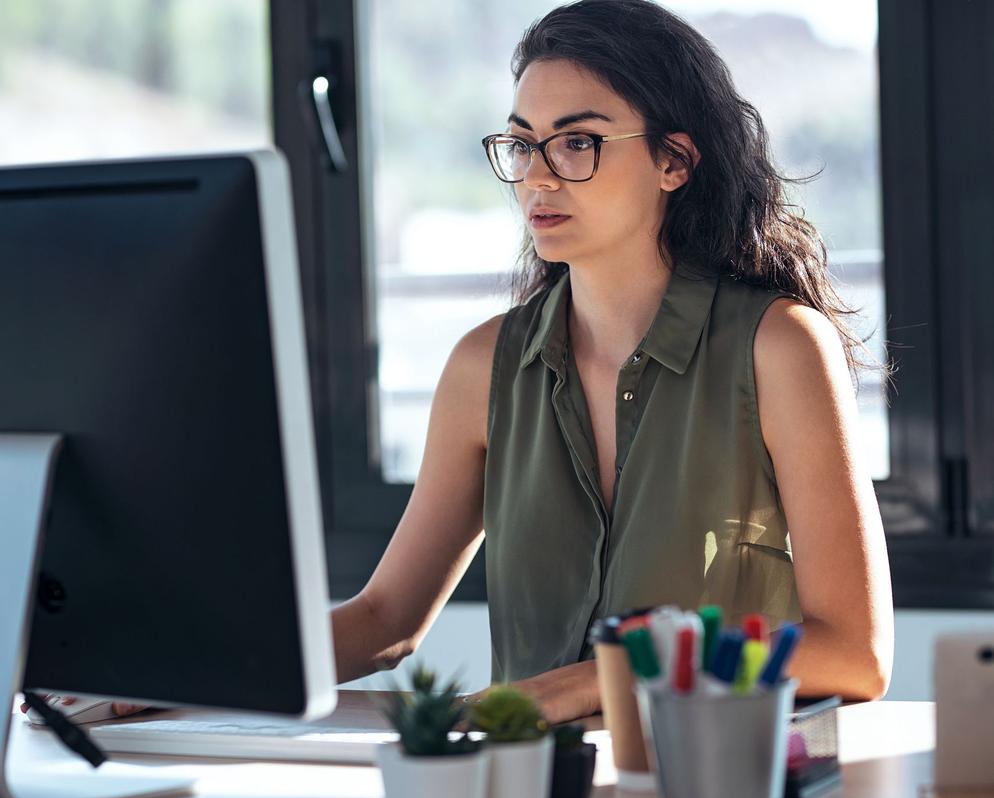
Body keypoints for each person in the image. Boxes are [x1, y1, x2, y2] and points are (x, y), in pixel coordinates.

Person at [27, 0, 894, 725]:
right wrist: (185, 677)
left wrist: (600, 678)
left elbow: (851, 651)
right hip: (521, 789)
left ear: (674, 161)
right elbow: (386, 619)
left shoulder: (779, 347)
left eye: (579, 142)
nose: (538, 178)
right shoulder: (485, 365)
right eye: (523, 145)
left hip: (724, 789)